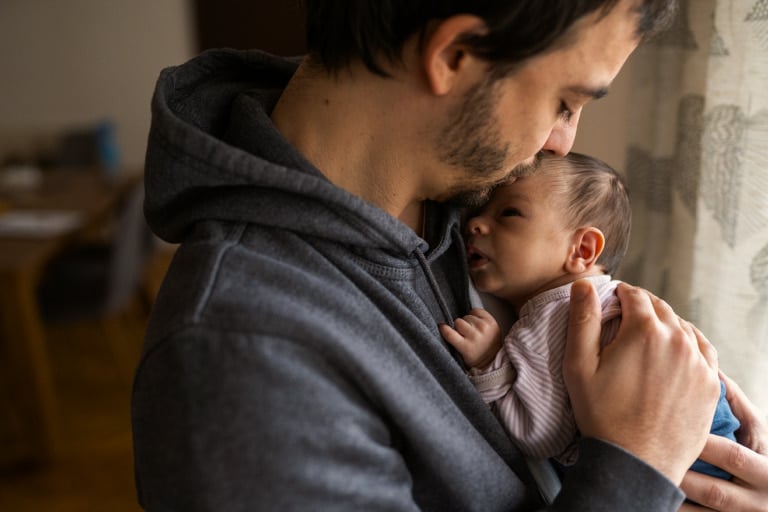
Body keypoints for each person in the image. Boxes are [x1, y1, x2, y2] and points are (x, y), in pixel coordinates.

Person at [131, 1, 768, 510]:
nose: (560, 143)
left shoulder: (475, 206)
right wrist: (638, 468)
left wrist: (689, 431)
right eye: (564, 102)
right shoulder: (243, 364)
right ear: (455, 56)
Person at [439, 152, 740, 482]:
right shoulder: (607, 300)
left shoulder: (551, 318)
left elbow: (541, 436)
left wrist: (489, 359)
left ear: (582, 250)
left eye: (509, 213)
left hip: (689, 450)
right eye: (481, 212)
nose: (474, 224)